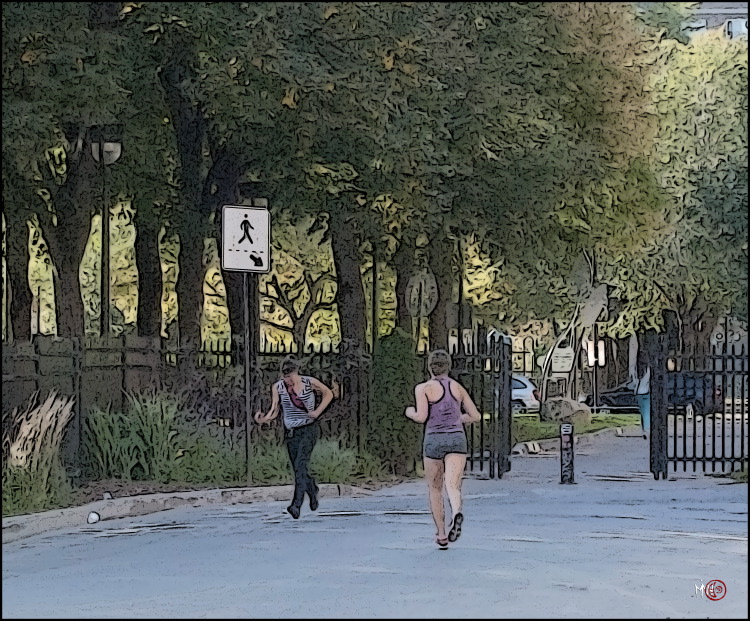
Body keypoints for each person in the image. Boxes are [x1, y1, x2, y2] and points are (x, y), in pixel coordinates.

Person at [404, 349, 481, 549]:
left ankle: (441, 534)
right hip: (456, 439)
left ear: (429, 367)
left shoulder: (423, 388)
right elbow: (475, 415)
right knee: (453, 485)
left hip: (433, 440)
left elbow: (421, 417)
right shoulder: (457, 388)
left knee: (435, 488)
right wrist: (458, 419)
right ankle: (457, 512)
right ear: (449, 367)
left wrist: (410, 412)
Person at [254, 356, 334, 519]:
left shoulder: (309, 382)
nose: (288, 380)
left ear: (296, 373)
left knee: (300, 464)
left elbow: (329, 393)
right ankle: (312, 488)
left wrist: (317, 412)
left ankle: (296, 505)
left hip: (308, 429)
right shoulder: (278, 387)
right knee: (298, 468)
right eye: (285, 376)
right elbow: (275, 408)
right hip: (291, 431)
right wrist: (265, 419)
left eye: (290, 376)